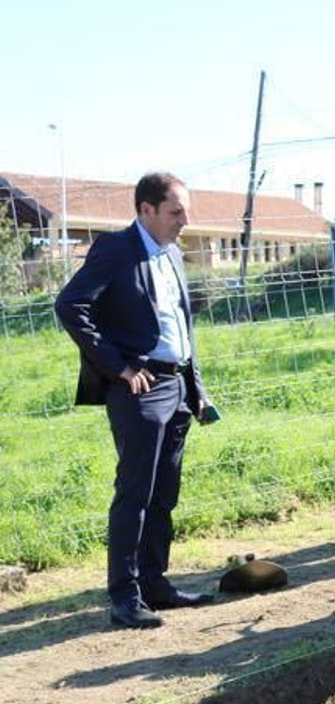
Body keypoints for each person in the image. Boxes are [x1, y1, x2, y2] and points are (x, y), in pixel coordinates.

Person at [55, 172, 219, 630]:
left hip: (178, 386)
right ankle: (124, 596)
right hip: (139, 387)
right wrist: (118, 367)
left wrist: (197, 387)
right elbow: (70, 306)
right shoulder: (115, 250)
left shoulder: (172, 255)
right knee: (135, 494)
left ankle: (154, 584)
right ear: (145, 209)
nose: (185, 220)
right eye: (175, 211)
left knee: (165, 491)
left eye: (184, 211)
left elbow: (182, 329)